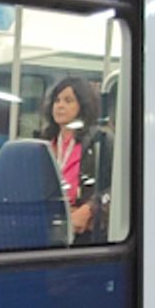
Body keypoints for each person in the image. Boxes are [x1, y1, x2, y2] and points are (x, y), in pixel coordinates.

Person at [43, 76, 109, 245]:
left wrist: (88, 210)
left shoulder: (100, 140)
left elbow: (114, 188)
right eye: (57, 100)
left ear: (82, 106)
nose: (60, 106)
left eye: (68, 100)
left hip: (85, 232)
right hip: (48, 228)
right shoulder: (45, 142)